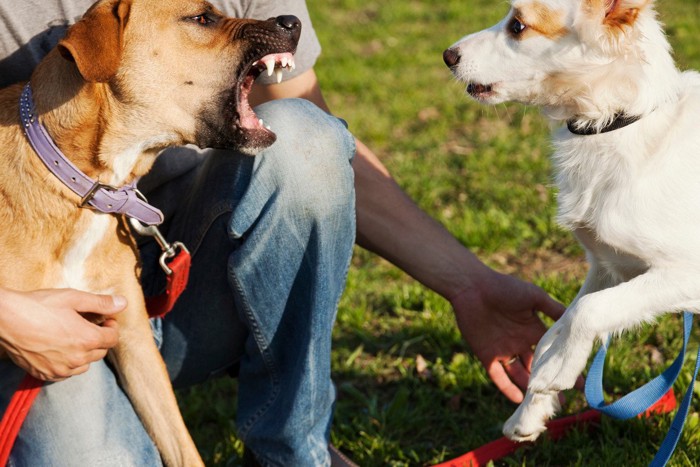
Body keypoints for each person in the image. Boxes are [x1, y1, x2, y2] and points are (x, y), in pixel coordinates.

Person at [0, 0, 565, 465]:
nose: (223, 24)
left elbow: (318, 153)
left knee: (305, 137)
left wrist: (469, 284)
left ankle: (292, 451)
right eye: (203, 19)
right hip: (23, 322)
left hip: (177, 279)